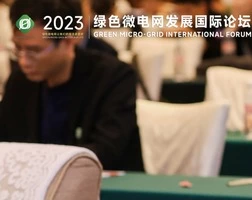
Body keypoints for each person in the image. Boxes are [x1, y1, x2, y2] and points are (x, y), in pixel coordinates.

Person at [0, 0, 144, 172]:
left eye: (34, 51)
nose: (23, 61)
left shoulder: (113, 78)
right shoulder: (20, 81)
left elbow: (104, 152)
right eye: (18, 48)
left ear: (68, 41)